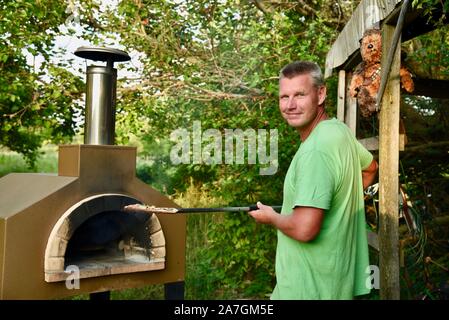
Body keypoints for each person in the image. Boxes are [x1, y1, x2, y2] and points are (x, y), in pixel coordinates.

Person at [248, 61, 378, 299]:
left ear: (320, 94)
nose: (290, 105)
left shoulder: (315, 151)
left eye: (299, 95)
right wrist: (335, 206)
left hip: (308, 289)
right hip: (335, 287)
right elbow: (371, 168)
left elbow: (305, 229)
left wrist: (272, 217)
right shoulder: (338, 131)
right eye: (284, 96)